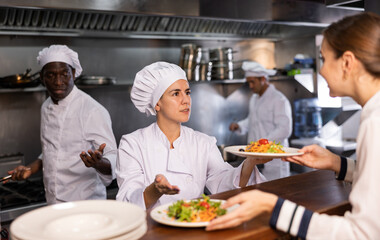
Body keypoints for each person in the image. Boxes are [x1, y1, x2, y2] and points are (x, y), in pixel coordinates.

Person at [206, 12, 380, 239]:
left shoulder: (374, 122)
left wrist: (274, 207)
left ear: (347, 62)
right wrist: (337, 163)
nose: (322, 71)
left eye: (323, 59)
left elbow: (363, 233)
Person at [116, 61, 268, 209]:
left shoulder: (202, 142)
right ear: (157, 103)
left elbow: (223, 184)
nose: (186, 100)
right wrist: (155, 190)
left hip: (196, 224)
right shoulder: (133, 144)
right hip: (153, 231)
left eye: (187, 92)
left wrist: (249, 162)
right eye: (176, 93)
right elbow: (128, 201)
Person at [7, 45, 117, 204]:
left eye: (64, 74)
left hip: (84, 204)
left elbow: (113, 156)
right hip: (53, 201)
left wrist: (98, 163)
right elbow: (53, 150)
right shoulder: (46, 107)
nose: (58, 82)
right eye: (51, 75)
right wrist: (30, 169)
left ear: (73, 74)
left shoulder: (92, 110)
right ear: (42, 77)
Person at [229, 61, 292, 180]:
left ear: (263, 79)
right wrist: (239, 126)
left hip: (273, 159)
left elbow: (284, 129)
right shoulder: (254, 99)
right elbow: (253, 120)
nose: (250, 86)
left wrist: (262, 144)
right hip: (254, 156)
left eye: (253, 82)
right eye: (249, 83)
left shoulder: (279, 100)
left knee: (274, 193)